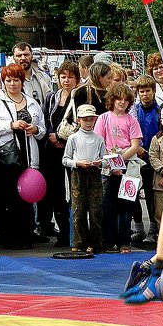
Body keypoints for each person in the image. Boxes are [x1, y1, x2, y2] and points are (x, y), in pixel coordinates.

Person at [0, 62, 46, 250]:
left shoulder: (32, 102)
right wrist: (11, 125)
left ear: (22, 81)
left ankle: (25, 234)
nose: (12, 84)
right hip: (4, 157)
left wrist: (35, 129)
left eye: (16, 80)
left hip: (27, 156)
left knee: (25, 197)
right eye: (8, 80)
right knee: (6, 198)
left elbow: (42, 129)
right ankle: (7, 235)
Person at [95, 82, 143, 253]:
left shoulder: (132, 120)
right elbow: (100, 142)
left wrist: (121, 160)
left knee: (126, 205)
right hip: (107, 166)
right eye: (118, 99)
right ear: (112, 100)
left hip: (129, 166)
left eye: (125, 100)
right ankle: (108, 241)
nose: (122, 103)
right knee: (107, 205)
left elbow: (135, 145)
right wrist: (112, 161)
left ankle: (125, 241)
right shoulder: (103, 118)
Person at [38, 60, 79, 248]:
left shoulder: (80, 98)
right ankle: (63, 232)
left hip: (74, 149)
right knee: (56, 192)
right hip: (52, 149)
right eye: (63, 76)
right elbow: (44, 118)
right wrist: (51, 135)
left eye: (71, 77)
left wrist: (64, 138)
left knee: (75, 192)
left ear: (77, 79)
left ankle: (75, 232)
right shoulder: (51, 97)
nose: (66, 80)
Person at [62, 104, 106, 255]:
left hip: (94, 173)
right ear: (78, 120)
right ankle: (79, 242)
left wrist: (100, 163)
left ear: (95, 120)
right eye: (85, 120)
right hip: (78, 174)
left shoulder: (99, 139)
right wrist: (77, 163)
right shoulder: (73, 138)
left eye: (91, 120)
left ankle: (96, 243)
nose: (88, 123)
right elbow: (65, 159)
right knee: (78, 210)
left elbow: (105, 159)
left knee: (96, 211)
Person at [132, 75, 162, 246]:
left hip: (153, 160)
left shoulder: (159, 111)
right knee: (133, 192)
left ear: (154, 91)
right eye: (141, 91)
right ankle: (138, 227)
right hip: (136, 157)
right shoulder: (134, 111)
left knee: (152, 195)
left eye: (148, 91)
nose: (145, 94)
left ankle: (153, 227)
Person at [12, 42, 50, 107]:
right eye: (19, 56)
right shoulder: (9, 81)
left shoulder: (45, 78)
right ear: (14, 58)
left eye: (26, 55)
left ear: (32, 56)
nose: (23, 58)